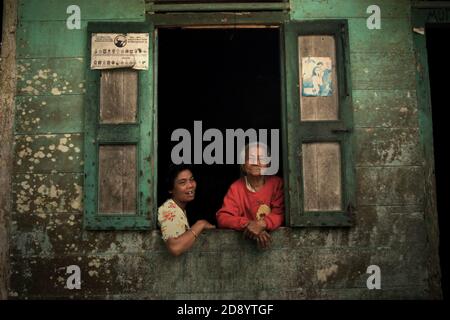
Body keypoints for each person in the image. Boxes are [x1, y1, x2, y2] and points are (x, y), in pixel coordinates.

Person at [216, 142, 284, 249]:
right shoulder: (236, 188)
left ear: (268, 164)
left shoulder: (277, 184)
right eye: (250, 158)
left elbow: (280, 214)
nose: (256, 162)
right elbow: (223, 217)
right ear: (243, 165)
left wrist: (262, 224)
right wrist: (249, 225)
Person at [158, 164, 215, 256]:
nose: (190, 185)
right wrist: (201, 224)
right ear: (171, 189)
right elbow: (175, 248)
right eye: (182, 182)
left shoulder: (179, 208)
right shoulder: (168, 210)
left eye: (191, 179)